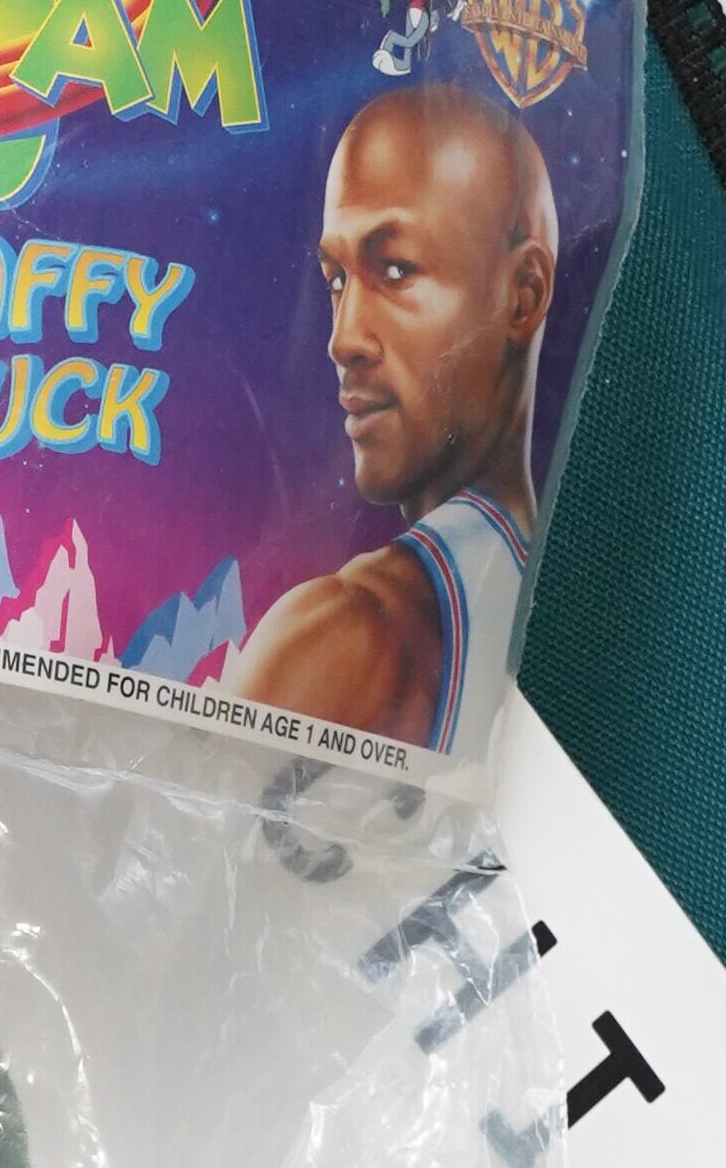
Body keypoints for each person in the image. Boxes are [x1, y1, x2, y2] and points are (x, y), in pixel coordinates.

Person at [233, 86, 557, 755]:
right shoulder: (537, 595)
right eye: (337, 280)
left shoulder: (348, 632)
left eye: (396, 269)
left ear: (522, 295)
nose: (343, 339)